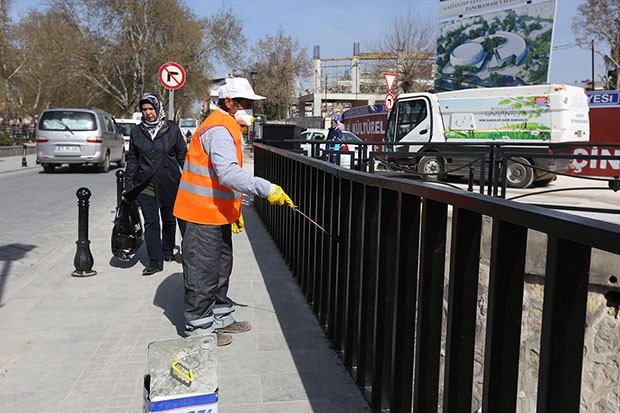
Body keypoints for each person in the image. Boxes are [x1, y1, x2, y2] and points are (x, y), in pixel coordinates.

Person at [173, 77, 294, 346]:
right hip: (199, 212)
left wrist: (233, 210)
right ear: (229, 102)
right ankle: (198, 330)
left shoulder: (227, 125)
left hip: (216, 212)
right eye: (246, 103)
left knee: (220, 266)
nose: (250, 108)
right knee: (202, 270)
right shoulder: (218, 128)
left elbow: (218, 178)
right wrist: (266, 188)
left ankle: (221, 316)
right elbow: (227, 173)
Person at [123, 93, 188, 276]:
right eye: (144, 110)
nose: (148, 113)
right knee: (151, 222)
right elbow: (133, 161)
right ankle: (155, 261)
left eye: (151, 109)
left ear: (158, 108)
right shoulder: (137, 132)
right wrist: (128, 186)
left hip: (169, 181)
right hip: (145, 184)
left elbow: (182, 157)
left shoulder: (171, 129)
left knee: (169, 219)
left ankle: (167, 250)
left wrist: (190, 181)